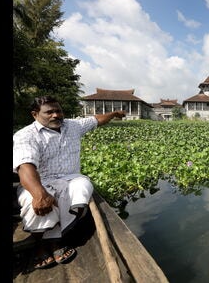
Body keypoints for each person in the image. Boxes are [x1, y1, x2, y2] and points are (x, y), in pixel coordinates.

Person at [13, 95, 126, 269]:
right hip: (40, 181)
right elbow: (25, 166)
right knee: (33, 202)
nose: (56, 115)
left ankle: (56, 241)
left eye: (58, 111)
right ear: (35, 114)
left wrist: (115, 113)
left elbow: (97, 120)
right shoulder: (25, 135)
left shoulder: (73, 126)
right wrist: (39, 194)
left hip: (70, 178)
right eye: (49, 112)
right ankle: (41, 245)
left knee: (82, 186)